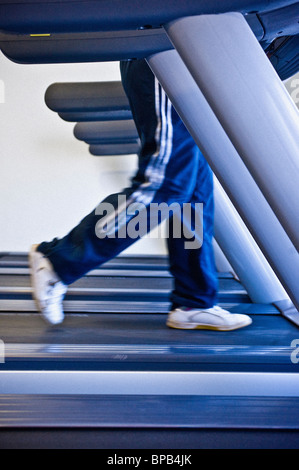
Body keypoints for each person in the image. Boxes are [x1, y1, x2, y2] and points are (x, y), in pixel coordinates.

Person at [29, 59, 252, 331]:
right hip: (168, 56)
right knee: (164, 187)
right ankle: (58, 260)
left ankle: (194, 303)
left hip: (193, 61)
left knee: (194, 198)